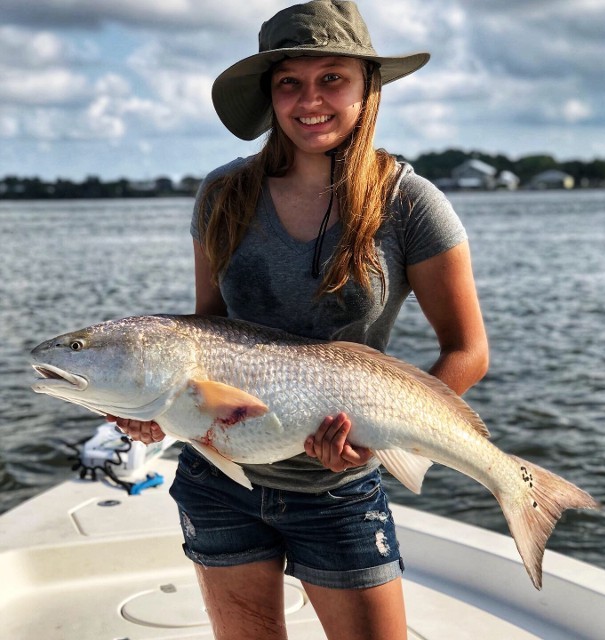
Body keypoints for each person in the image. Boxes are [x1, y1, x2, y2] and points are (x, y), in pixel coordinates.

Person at [109, 1, 489, 638]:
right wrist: (157, 407)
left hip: (339, 488)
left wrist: (385, 432)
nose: (310, 99)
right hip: (218, 476)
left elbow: (468, 349)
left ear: (367, 87)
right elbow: (204, 332)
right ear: (270, 95)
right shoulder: (223, 196)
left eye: (332, 78)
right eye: (290, 82)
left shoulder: (410, 204)